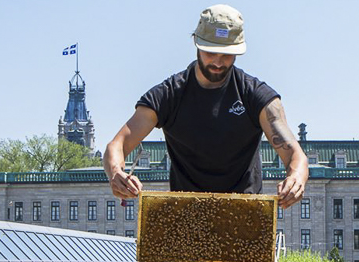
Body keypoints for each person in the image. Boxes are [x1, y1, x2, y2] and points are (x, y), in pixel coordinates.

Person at [104, 4, 308, 210]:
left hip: (244, 215)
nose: (218, 62)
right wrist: (116, 173)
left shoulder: (257, 96)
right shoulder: (168, 95)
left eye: (226, 55)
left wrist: (296, 177)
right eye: (211, 52)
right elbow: (117, 145)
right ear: (197, 45)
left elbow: (295, 155)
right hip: (186, 215)